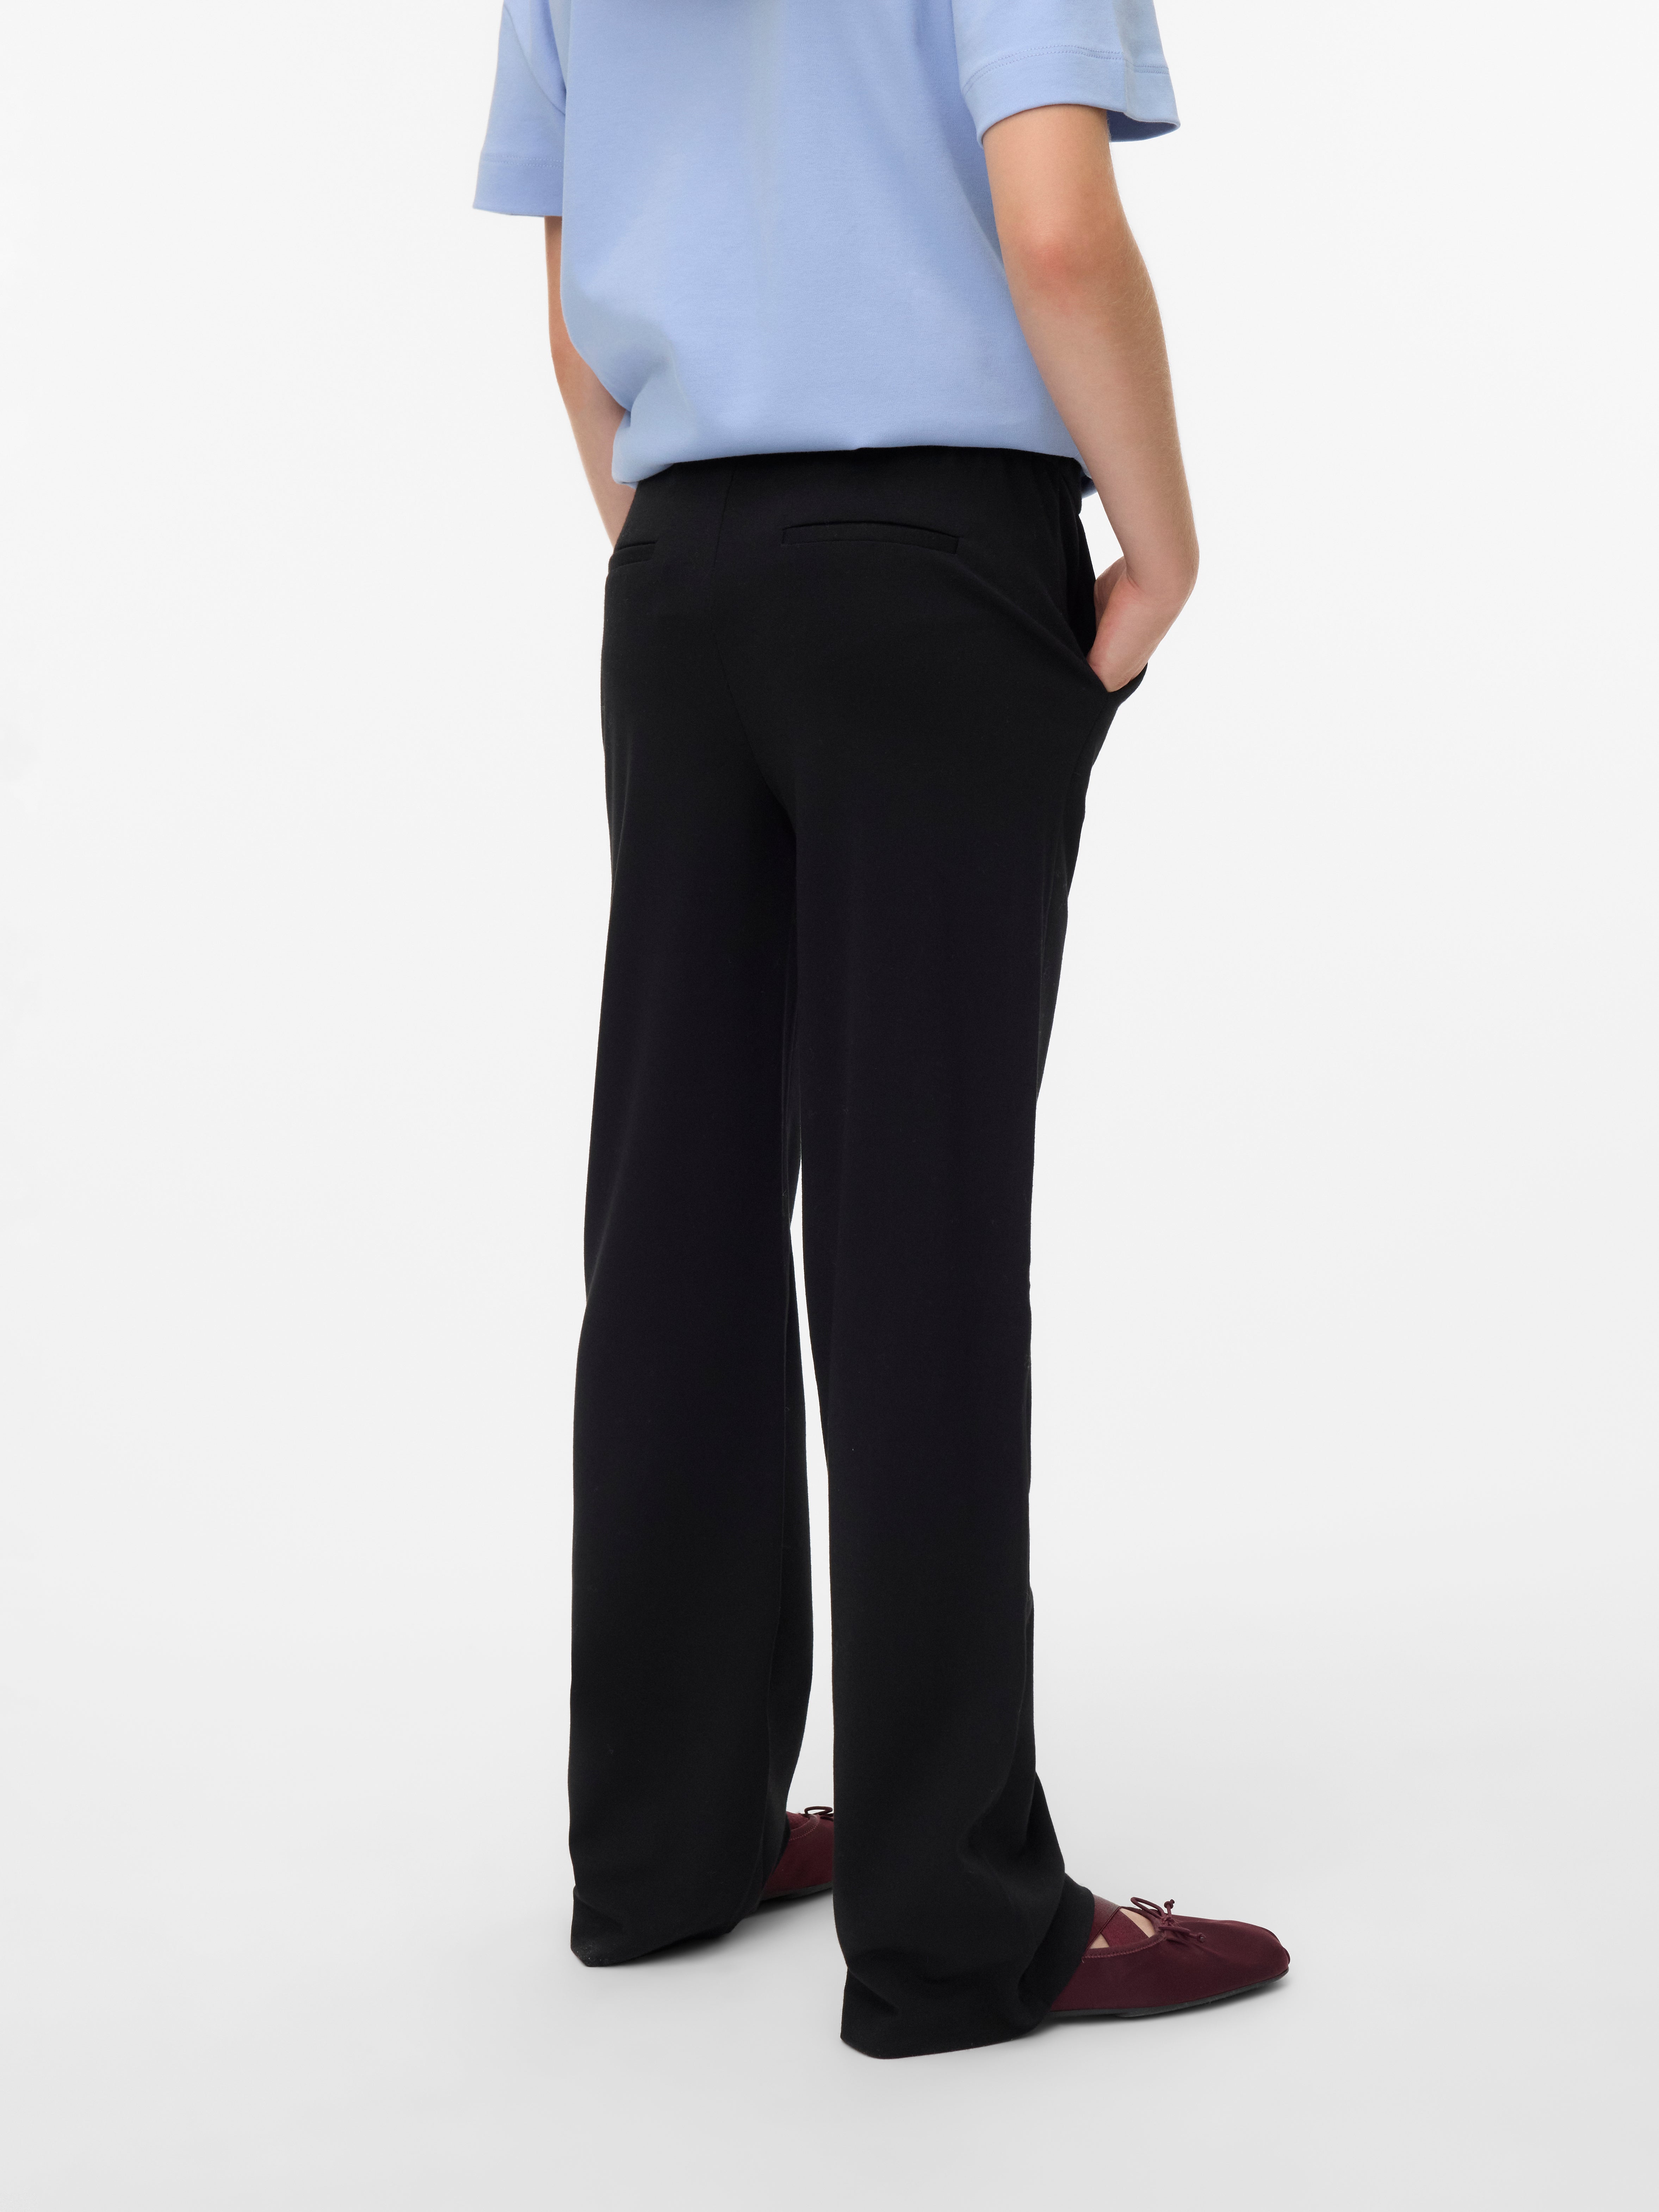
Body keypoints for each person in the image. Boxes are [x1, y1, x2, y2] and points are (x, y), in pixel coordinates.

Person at [473, 0, 1288, 2060]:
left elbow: (571, 308)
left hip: (685, 576)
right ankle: (954, 1923)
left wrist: (707, 555)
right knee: (913, 1227)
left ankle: (661, 1845)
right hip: (936, 562)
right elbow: (1055, 231)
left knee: (674, 1216)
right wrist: (1163, 539)